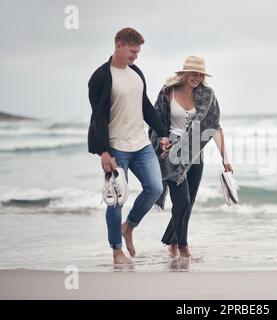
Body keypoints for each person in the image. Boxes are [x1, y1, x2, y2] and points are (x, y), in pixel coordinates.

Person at [87, 27, 170, 264]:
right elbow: (98, 117)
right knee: (116, 199)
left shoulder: (136, 73)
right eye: (133, 51)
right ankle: (116, 250)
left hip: (141, 144)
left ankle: (129, 226)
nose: (136, 56)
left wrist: (163, 133)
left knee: (154, 188)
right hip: (115, 147)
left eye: (138, 52)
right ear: (119, 45)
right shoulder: (101, 77)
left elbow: (145, 106)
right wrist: (103, 150)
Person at [150, 55, 233, 258]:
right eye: (193, 73)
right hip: (170, 152)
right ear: (185, 73)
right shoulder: (168, 91)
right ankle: (183, 246)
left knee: (189, 202)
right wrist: (160, 141)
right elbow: (155, 120)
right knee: (183, 201)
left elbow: (214, 127)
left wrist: (225, 158)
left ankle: (173, 241)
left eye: (200, 74)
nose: (196, 78)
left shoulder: (207, 95)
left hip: (195, 153)